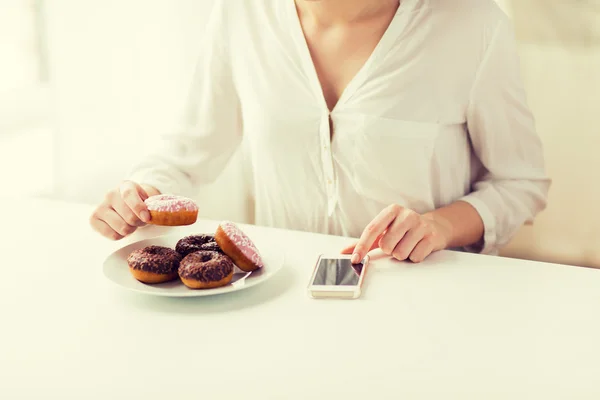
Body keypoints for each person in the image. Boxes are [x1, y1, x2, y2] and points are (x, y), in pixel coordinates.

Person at [90, 0, 550, 263]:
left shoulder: (472, 25)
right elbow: (189, 150)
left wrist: (439, 225)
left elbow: (520, 182)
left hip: (428, 297)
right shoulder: (241, 16)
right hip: (282, 293)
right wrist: (138, 193)